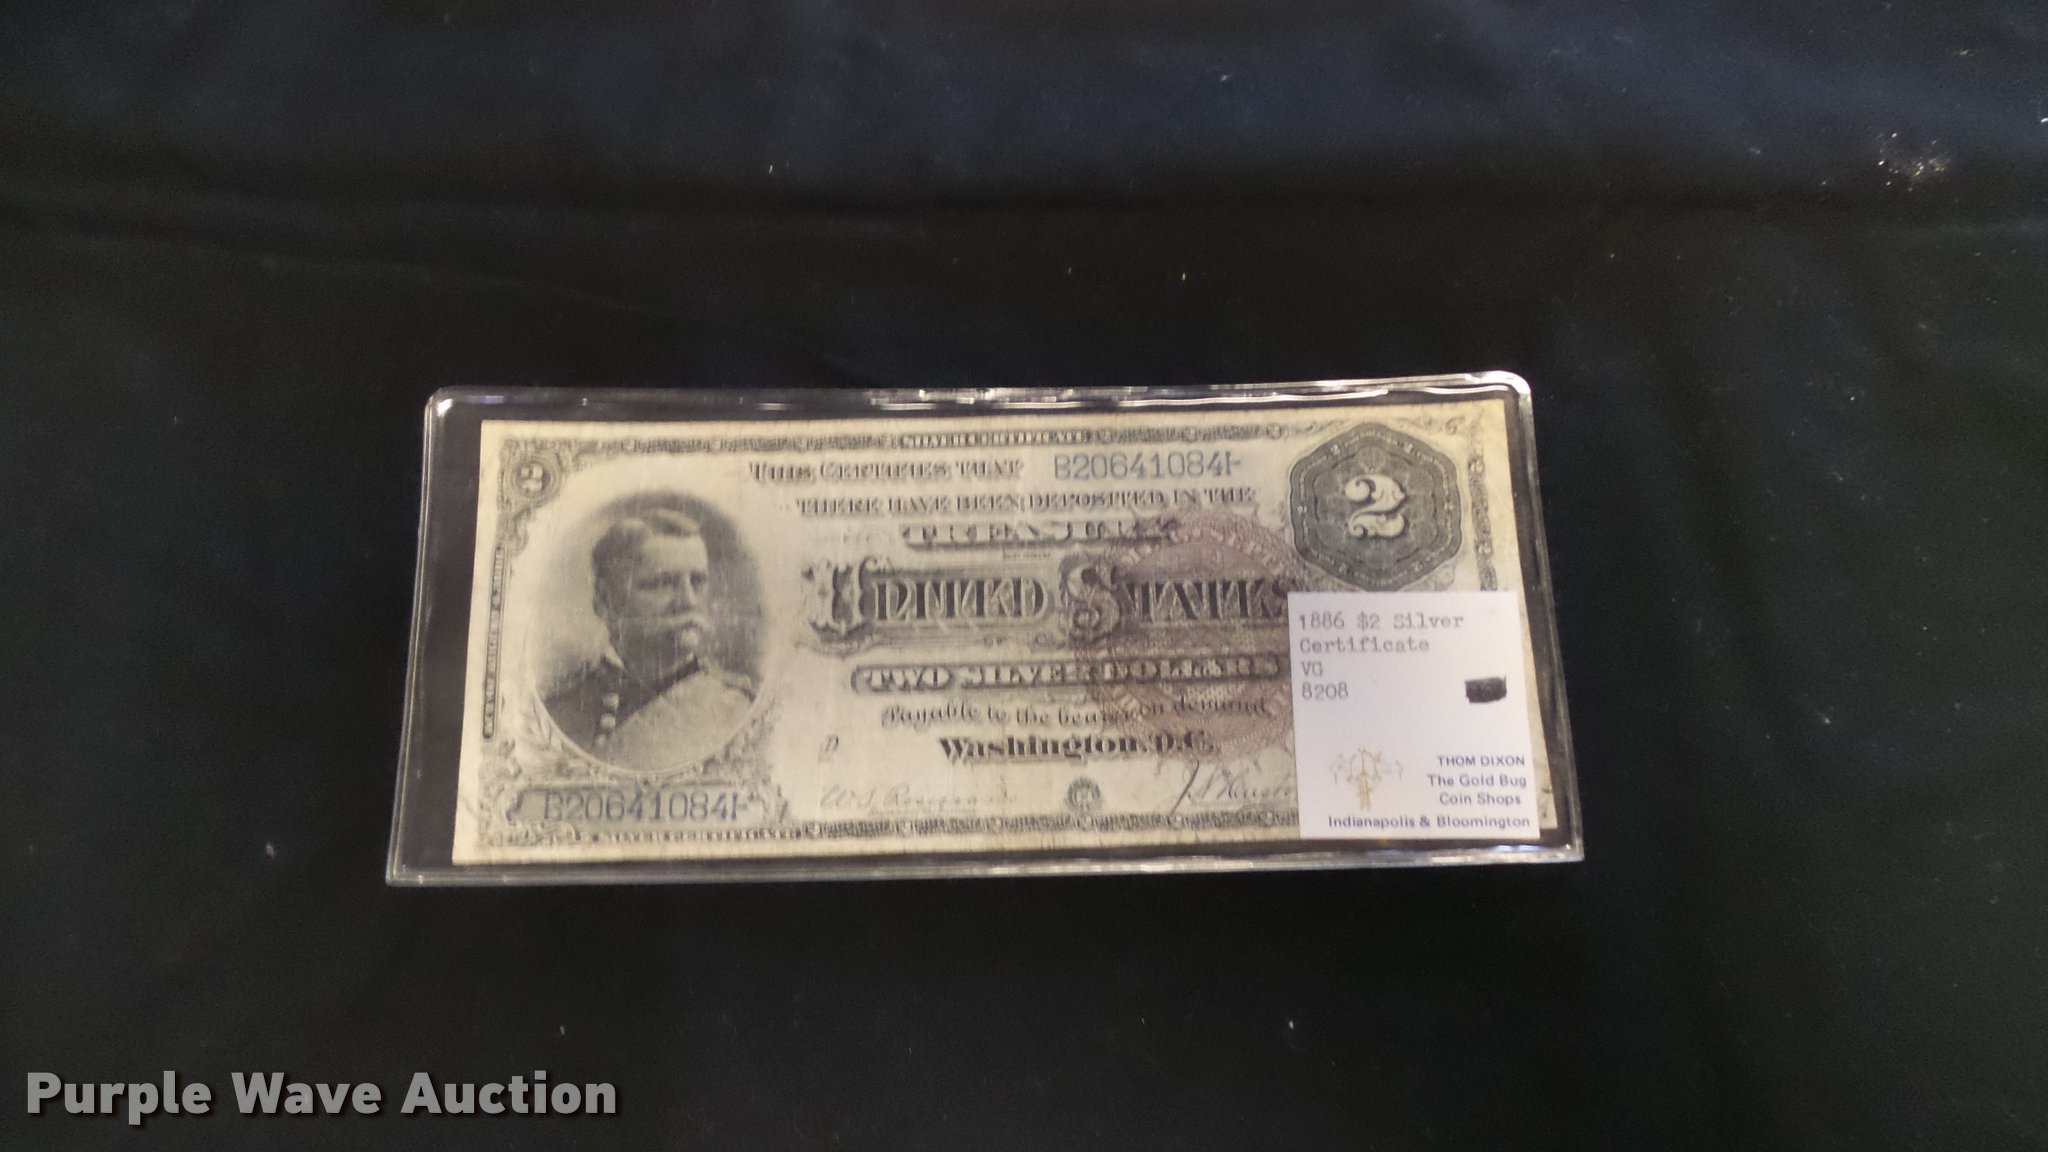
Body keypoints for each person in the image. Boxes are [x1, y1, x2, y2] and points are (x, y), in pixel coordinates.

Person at [544, 509, 754, 771]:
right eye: (662, 584)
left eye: (697, 581)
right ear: (605, 601)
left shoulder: (738, 708)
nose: (688, 601)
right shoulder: (558, 714)